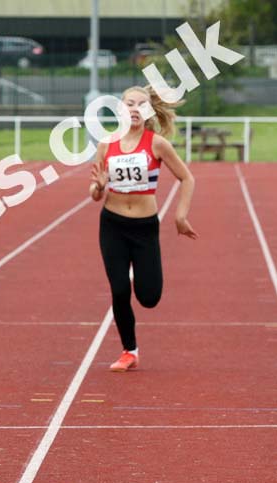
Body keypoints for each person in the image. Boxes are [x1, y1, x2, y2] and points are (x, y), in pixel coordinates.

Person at [89, 85, 197, 372]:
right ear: (120, 109)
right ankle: (130, 350)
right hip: (112, 225)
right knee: (120, 289)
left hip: (144, 227)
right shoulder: (107, 143)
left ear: (148, 111)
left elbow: (187, 178)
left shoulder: (157, 143)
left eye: (140, 104)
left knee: (149, 297)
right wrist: (98, 187)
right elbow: (95, 190)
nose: (134, 108)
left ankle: (145, 287)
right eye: (129, 103)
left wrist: (180, 215)